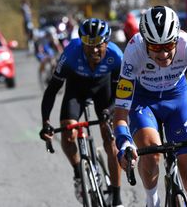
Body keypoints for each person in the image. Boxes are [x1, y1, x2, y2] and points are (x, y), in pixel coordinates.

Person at [113, 6, 187, 207]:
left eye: (168, 45)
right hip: (144, 101)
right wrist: (124, 142)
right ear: (145, 43)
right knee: (152, 152)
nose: (163, 53)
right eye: (156, 47)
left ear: (177, 39)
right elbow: (120, 111)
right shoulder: (133, 50)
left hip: (177, 99)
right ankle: (152, 200)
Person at [39, 18, 124, 207]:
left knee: (110, 139)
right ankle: (78, 173)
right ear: (82, 43)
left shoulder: (116, 56)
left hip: (104, 90)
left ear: (107, 43)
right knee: (68, 132)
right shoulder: (70, 54)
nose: (94, 50)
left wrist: (109, 112)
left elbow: (122, 93)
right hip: (76, 89)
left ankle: (117, 198)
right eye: (89, 45)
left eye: (98, 45)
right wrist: (45, 121)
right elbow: (52, 89)